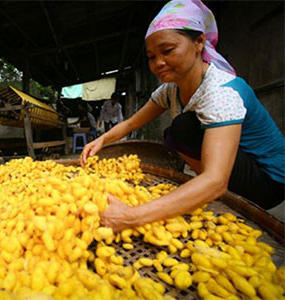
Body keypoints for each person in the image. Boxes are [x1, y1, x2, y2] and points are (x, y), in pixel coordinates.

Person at [81, 0, 285, 231]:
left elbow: (216, 179)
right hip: (240, 169)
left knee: (184, 128)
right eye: (151, 56)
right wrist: (101, 140)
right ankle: (203, 190)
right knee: (175, 133)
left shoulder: (221, 93)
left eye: (167, 51)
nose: (158, 63)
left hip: (270, 182)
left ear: (199, 42)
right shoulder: (171, 90)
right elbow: (131, 123)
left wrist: (131, 216)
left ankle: (212, 193)